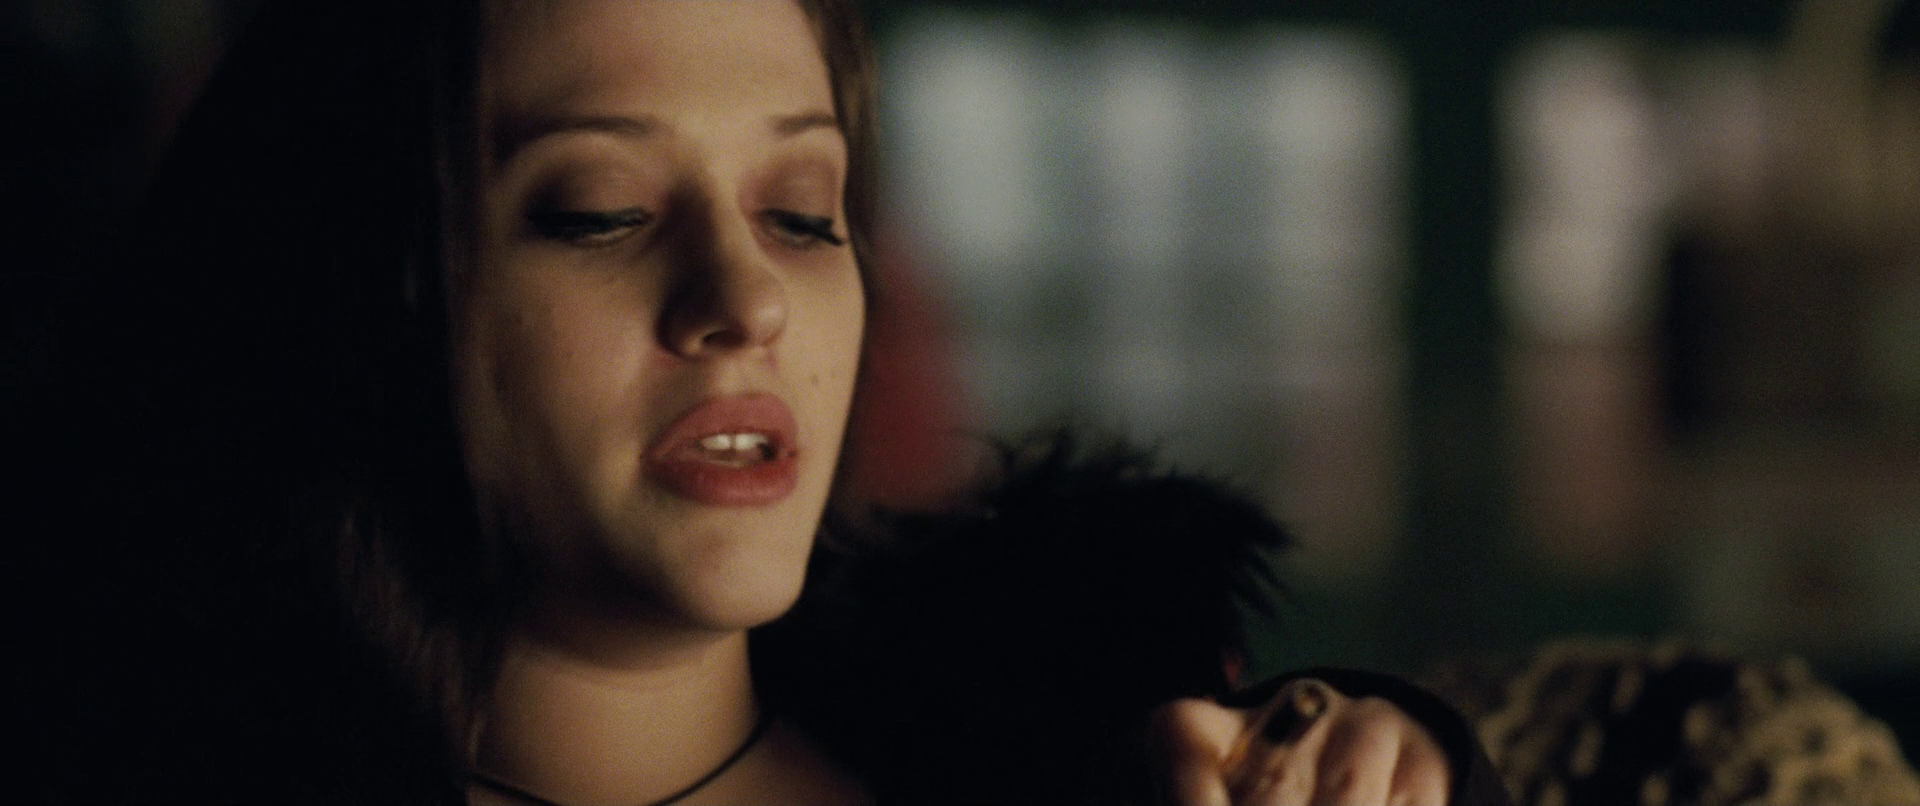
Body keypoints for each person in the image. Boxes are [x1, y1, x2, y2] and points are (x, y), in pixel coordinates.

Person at [63, 1, 1511, 804]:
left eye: (804, 212)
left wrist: (1401, 769)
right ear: (366, 287)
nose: (746, 298)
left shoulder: (1085, 748)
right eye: (599, 209)